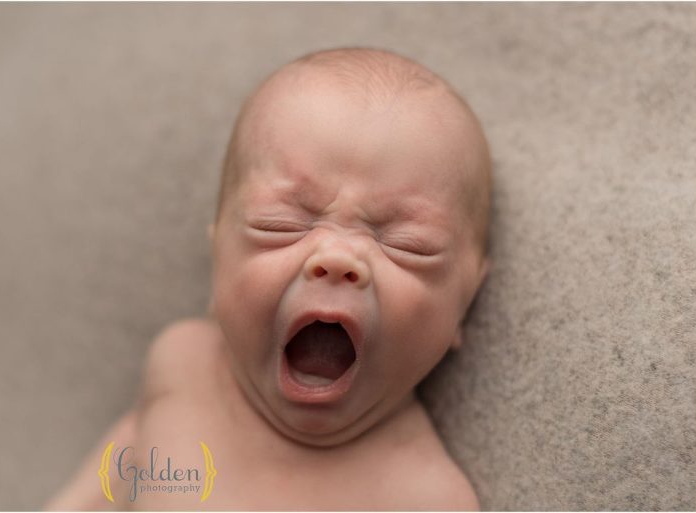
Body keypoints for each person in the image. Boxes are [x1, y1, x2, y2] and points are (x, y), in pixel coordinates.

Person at [47, 46, 491, 511]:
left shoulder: (423, 498)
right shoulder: (182, 363)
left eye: (408, 245)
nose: (338, 258)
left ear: (467, 300)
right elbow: (129, 458)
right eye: (279, 225)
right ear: (219, 259)